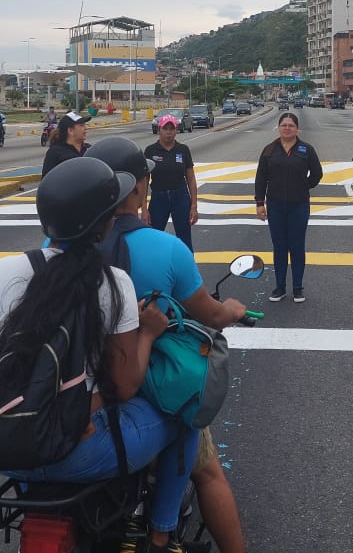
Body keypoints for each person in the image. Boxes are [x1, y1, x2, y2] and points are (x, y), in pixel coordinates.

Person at [0, 158, 198, 553]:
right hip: (81, 447)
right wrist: (148, 333)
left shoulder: (3, 271)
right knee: (185, 416)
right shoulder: (112, 283)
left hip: (7, 448)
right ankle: (161, 534)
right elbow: (126, 385)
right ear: (105, 223)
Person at [88, 137, 249, 553]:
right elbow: (209, 315)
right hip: (143, 380)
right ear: (141, 187)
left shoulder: (62, 249)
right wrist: (231, 309)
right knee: (204, 461)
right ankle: (162, 534)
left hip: (78, 384)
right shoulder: (167, 249)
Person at [254, 112, 324, 302]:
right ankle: (280, 287)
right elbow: (261, 178)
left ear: (297, 129)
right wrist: (260, 203)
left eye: (291, 125)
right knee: (279, 247)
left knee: (297, 246)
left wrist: (303, 185)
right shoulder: (269, 150)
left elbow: (317, 174)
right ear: (279, 128)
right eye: (284, 125)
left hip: (299, 205)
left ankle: (298, 287)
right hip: (275, 206)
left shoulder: (306, 149)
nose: (287, 128)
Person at [144, 114, 199, 251]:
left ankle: (186, 270)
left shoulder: (183, 150)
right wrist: (144, 209)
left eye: (171, 128)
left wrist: (193, 206)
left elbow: (191, 178)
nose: (168, 132)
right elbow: (144, 181)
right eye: (165, 128)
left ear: (176, 130)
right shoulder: (150, 151)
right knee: (153, 237)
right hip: (158, 198)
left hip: (180, 197)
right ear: (159, 130)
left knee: (184, 238)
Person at [41, 110, 90, 176]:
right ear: (70, 131)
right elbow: (47, 180)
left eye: (85, 125)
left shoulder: (89, 149)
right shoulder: (55, 153)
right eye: (81, 125)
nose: (86, 128)